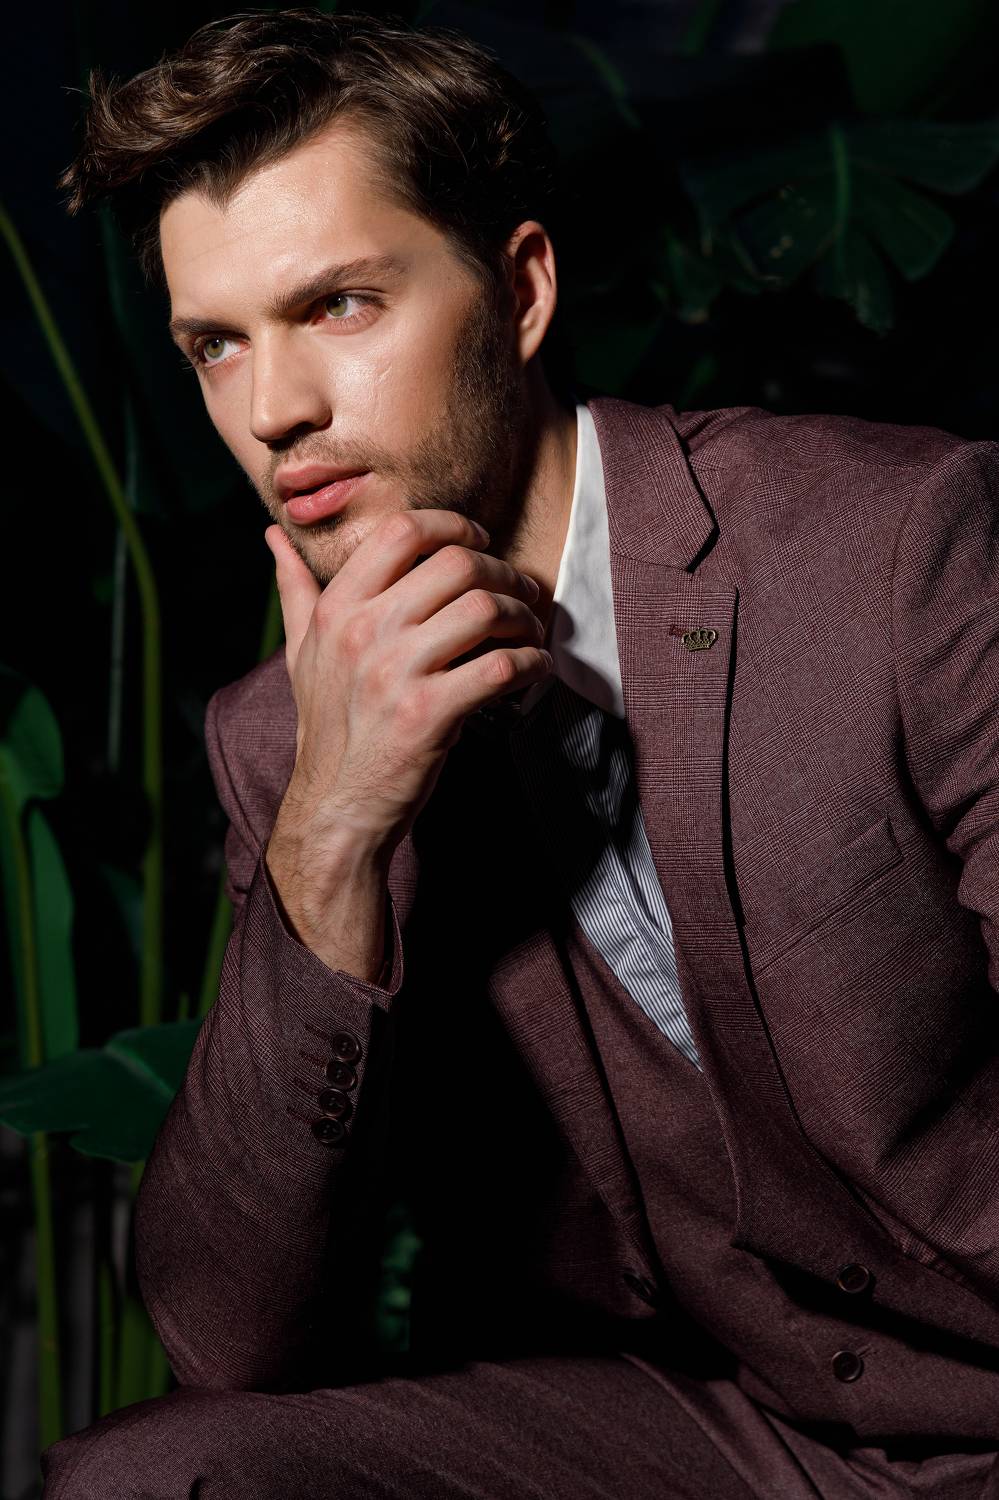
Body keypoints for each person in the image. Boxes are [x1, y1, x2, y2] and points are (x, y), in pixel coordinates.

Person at [41, 8, 999, 1498]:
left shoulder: (889, 548)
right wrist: (330, 829)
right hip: (758, 1442)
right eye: (216, 345)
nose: (275, 410)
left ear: (523, 288)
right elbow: (226, 1329)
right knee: (158, 1478)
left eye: (340, 305)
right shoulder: (286, 739)